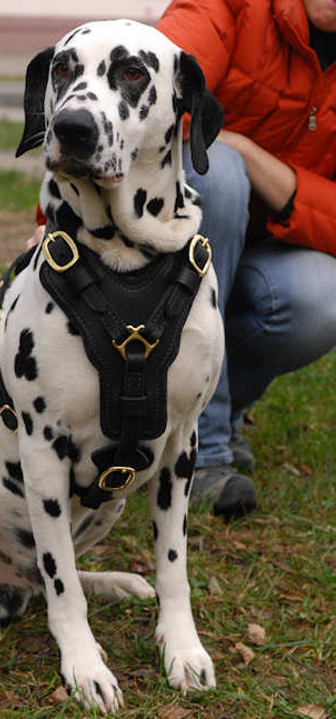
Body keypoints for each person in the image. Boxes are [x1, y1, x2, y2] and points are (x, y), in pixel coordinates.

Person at [155, 0, 336, 517]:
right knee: (220, 174)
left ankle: (202, 415)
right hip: (171, 236)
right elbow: (149, 83)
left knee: (322, 300)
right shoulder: (234, 6)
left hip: (266, 252)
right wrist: (51, 217)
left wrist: (254, 156)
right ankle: (202, 455)